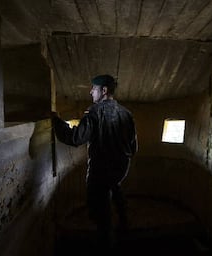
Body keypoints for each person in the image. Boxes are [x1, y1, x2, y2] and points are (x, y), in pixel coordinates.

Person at [51, 74, 138, 251]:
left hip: (100, 171)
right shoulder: (127, 114)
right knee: (115, 187)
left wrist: (56, 121)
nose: (91, 92)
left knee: (101, 213)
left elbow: (76, 138)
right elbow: (133, 147)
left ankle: (107, 245)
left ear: (104, 91)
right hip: (121, 168)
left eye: (94, 88)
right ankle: (124, 223)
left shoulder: (94, 112)